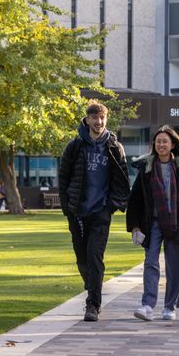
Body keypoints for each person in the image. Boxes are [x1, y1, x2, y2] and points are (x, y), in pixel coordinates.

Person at [58, 101, 131, 322]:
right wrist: (67, 208)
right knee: (82, 258)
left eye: (102, 118)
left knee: (95, 257)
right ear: (87, 119)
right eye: (95, 118)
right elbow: (63, 177)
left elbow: (123, 180)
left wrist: (111, 206)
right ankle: (92, 287)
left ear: (105, 119)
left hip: (101, 211)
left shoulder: (114, 147)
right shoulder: (75, 146)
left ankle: (93, 305)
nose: (99, 122)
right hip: (78, 212)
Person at [127, 125, 179, 322]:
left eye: (164, 141)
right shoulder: (146, 169)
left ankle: (169, 307)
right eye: (158, 141)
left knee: (175, 266)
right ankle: (147, 305)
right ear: (154, 145)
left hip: (177, 223)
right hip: (152, 223)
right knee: (151, 262)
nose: (161, 144)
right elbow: (136, 199)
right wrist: (135, 226)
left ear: (172, 145)